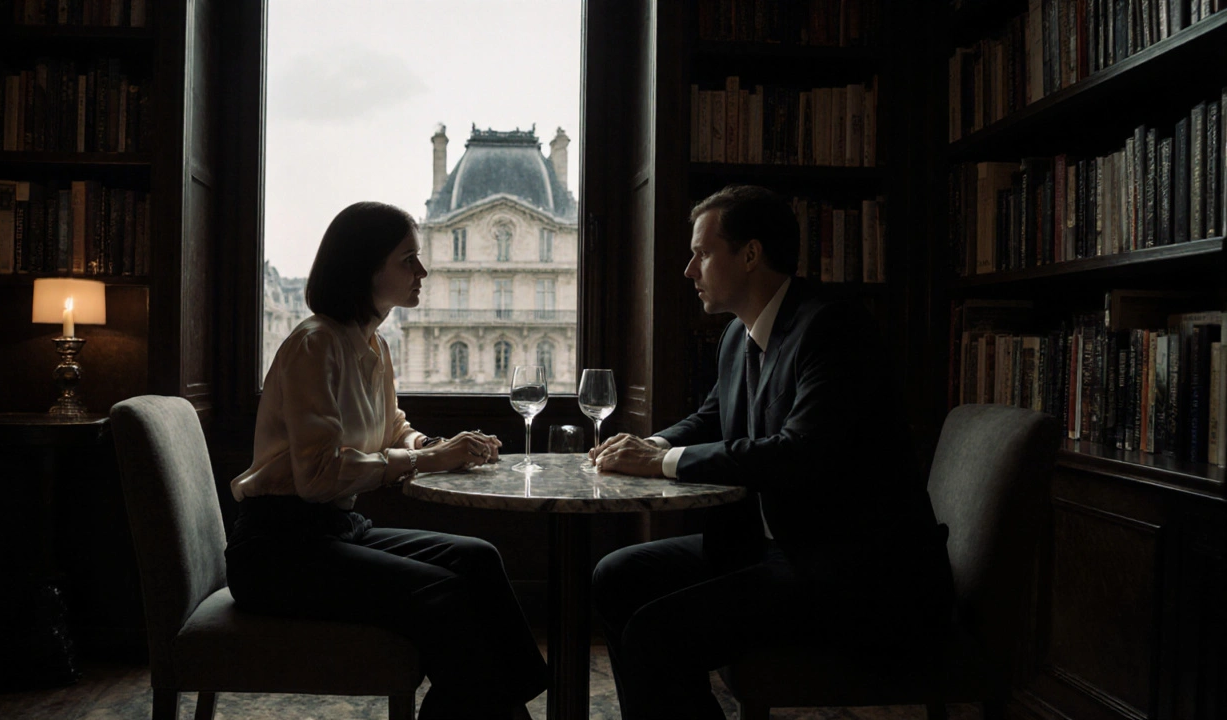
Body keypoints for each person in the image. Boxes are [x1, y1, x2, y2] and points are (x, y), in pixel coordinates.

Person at [589, 185, 954, 720]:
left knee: (655, 633)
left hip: (855, 574)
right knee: (615, 575)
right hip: (777, 548)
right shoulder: (738, 335)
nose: (690, 270)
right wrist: (656, 443)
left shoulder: (833, 327)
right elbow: (713, 415)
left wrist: (659, 464)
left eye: (703, 253)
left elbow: (800, 453)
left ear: (751, 255)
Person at [225, 202, 547, 720]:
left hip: (333, 532)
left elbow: (392, 428)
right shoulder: (315, 345)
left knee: (478, 557)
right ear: (367, 267)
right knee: (443, 594)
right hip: (277, 552)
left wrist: (433, 446)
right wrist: (423, 462)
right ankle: (498, 710)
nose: (422, 271)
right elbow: (317, 478)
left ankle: (498, 707)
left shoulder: (371, 344)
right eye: (409, 260)